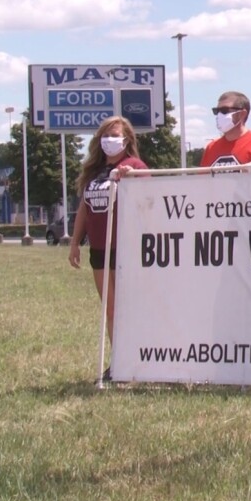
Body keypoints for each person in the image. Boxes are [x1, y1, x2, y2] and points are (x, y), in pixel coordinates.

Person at [69, 116, 148, 381]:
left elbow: (150, 198)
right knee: (111, 309)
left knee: (131, 308)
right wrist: (74, 242)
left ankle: (141, 361)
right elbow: (84, 208)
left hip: (126, 247)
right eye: (104, 136)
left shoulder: (134, 166)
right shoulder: (94, 172)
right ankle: (119, 363)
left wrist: (132, 178)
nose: (108, 141)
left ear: (126, 140)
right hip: (100, 249)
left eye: (114, 135)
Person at [200, 91, 251, 170]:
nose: (219, 115)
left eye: (224, 110)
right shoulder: (211, 148)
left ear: (242, 114)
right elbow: (203, 180)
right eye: (217, 111)